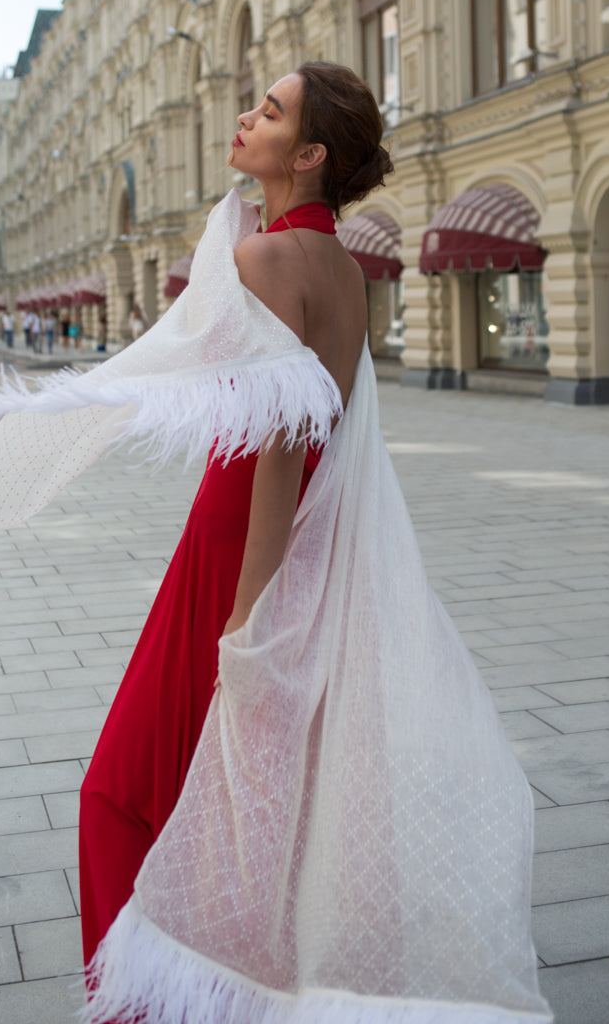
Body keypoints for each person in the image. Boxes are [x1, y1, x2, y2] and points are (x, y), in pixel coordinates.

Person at [79, 63, 550, 1024]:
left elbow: (280, 457)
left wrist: (248, 628)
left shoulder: (264, 264)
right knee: (247, 806)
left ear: (308, 155)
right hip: (297, 553)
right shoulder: (339, 268)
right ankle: (222, 987)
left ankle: (149, 1001)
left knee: (121, 793)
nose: (245, 115)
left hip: (234, 553)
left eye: (271, 110)